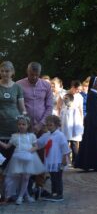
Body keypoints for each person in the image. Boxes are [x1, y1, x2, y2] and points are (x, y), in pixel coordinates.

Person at [16, 62, 53, 196]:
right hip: (24, 128)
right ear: (27, 72)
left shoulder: (46, 85)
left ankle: (40, 186)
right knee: (24, 156)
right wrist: (24, 123)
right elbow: (16, 105)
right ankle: (25, 187)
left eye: (37, 75)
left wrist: (40, 124)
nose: (34, 77)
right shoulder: (19, 84)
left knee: (42, 156)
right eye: (32, 75)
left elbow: (49, 107)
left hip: (42, 128)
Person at [0, 116, 44, 205]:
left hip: (29, 158)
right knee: (21, 178)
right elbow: (7, 146)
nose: (21, 126)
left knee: (26, 177)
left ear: (28, 125)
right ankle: (26, 195)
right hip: (17, 159)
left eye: (23, 124)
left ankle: (20, 197)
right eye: (19, 124)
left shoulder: (31, 136)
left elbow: (36, 146)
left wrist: (31, 150)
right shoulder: (15, 136)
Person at [75, 76, 97, 172]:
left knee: (95, 144)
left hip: (95, 124)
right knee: (94, 144)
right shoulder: (93, 95)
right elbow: (94, 111)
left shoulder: (94, 94)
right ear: (93, 84)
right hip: (95, 125)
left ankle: (96, 164)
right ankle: (95, 164)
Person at [37, 115, 71, 201]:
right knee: (52, 177)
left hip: (58, 160)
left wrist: (64, 158)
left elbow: (65, 148)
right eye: (47, 125)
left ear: (56, 125)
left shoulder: (60, 135)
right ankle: (53, 193)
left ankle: (59, 194)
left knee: (57, 177)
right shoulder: (46, 135)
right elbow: (39, 143)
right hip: (51, 160)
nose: (48, 127)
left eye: (50, 125)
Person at [0, 61, 26, 145]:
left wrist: (25, 120)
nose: (4, 73)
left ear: (12, 72)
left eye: (7, 71)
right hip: (1, 124)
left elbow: (22, 108)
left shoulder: (18, 87)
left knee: (13, 154)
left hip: (14, 124)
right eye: (2, 71)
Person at [59, 93, 84, 166]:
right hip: (64, 130)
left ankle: (75, 161)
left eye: (66, 98)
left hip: (73, 131)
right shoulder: (63, 109)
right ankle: (65, 160)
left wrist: (77, 132)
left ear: (71, 99)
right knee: (64, 146)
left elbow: (77, 120)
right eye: (64, 98)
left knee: (74, 147)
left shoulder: (75, 109)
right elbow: (61, 119)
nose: (64, 100)